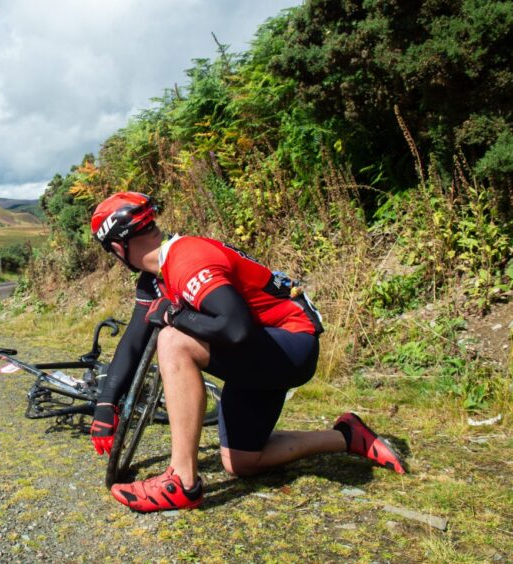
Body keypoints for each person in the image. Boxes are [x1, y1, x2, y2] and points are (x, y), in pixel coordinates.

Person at [89, 191, 405, 513]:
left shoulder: (186, 260)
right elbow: (133, 341)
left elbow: (235, 328)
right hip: (260, 350)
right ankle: (346, 436)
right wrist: (105, 405)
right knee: (241, 461)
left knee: (172, 339)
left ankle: (181, 482)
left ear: (117, 248)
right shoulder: (155, 278)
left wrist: (176, 316)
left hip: (291, 345)